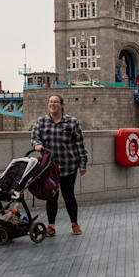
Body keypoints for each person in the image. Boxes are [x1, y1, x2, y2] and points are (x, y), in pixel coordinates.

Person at [31, 94, 89, 237]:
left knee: (69, 195)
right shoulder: (41, 121)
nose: (53, 104)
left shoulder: (72, 122)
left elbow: (80, 144)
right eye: (50, 102)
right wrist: (37, 144)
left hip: (68, 166)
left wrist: (83, 163)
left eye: (56, 102)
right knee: (51, 197)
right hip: (49, 168)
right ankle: (51, 226)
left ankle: (74, 224)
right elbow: (34, 138)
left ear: (62, 105)